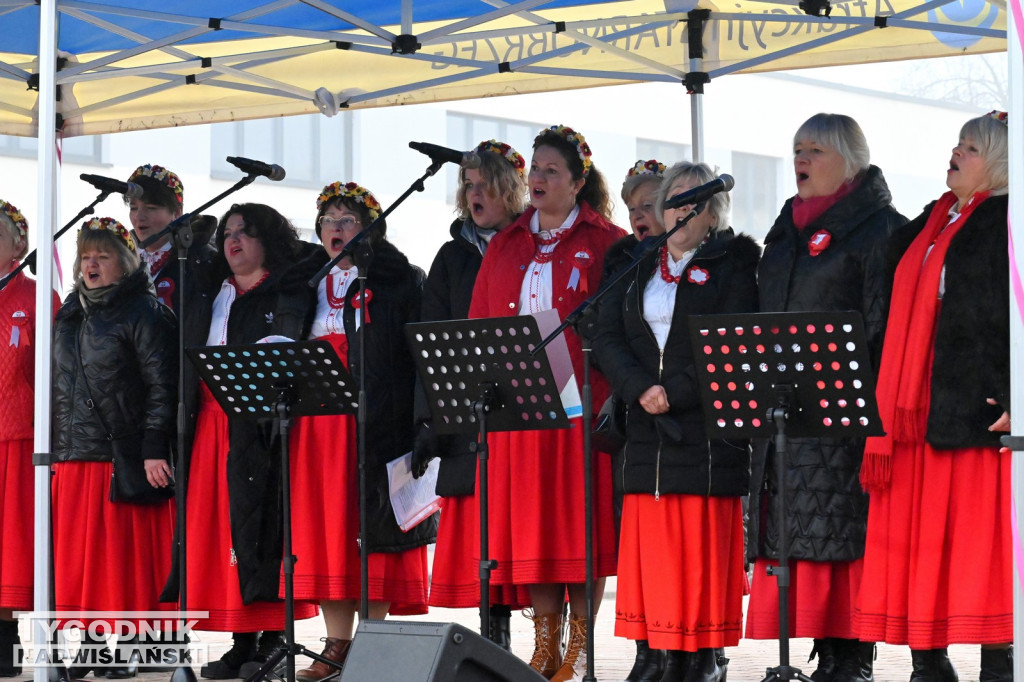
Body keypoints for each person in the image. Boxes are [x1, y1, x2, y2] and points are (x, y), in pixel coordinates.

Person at [747, 113, 906, 682]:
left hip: (848, 411)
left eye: (814, 149)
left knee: (845, 532)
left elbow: (885, 325)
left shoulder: (881, 228)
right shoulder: (785, 228)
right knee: (802, 533)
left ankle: (852, 658)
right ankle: (823, 651)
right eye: (796, 149)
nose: (801, 159)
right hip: (790, 410)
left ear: (849, 160)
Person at [855, 111, 1012, 682]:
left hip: (978, 412)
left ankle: (1000, 663)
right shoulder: (931, 220)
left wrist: (1015, 394)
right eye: (956, 144)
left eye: (969, 148)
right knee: (921, 545)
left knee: (981, 549)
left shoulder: (1008, 221)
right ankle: (929, 661)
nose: (955, 153)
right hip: (912, 412)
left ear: (996, 162)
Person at [468, 124, 626, 680]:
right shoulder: (508, 242)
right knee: (533, 524)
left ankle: (580, 646)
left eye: (551, 171)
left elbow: (619, 328)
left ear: (578, 182)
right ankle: (544, 643)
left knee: (579, 523)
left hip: (582, 400)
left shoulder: (606, 241)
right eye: (534, 169)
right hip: (520, 405)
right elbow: (480, 324)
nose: (537, 179)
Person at [593, 162, 759, 682]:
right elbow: (607, 337)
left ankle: (701, 658)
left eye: (694, 201)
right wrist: (639, 388)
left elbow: (734, 343)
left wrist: (675, 392)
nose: (681, 209)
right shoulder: (636, 266)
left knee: (699, 550)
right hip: (645, 428)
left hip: (707, 432)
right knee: (656, 551)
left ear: (713, 214)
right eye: (673, 199)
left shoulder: (734, 265)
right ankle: (660, 655)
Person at [287, 181, 435, 680]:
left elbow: (416, 357)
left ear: (372, 227)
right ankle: (336, 645)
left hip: (376, 422)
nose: (336, 228)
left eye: (348, 219)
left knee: (372, 529)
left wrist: (421, 421)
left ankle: (373, 644)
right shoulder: (306, 282)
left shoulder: (400, 279)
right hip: (317, 428)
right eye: (329, 219)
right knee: (327, 531)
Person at [183, 204, 323, 680]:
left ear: (271, 241)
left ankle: (273, 640)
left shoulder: (284, 292)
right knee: (228, 534)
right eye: (227, 232)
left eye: (246, 232)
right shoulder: (211, 291)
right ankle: (240, 640)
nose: (233, 240)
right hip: (211, 424)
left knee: (266, 525)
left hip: (263, 425)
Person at [51, 217, 178, 679]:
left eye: (102, 255)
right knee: (83, 560)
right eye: (86, 255)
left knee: (120, 559)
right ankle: (89, 644)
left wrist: (153, 447)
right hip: (75, 452)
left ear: (125, 263)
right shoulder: (70, 311)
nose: (91, 264)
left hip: (120, 454)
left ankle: (127, 645)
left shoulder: (144, 312)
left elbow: (163, 385)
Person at [420, 139, 531, 650]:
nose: (475, 193)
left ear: (511, 189)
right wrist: (431, 419)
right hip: (469, 406)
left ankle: (551, 639)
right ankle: (494, 635)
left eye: (486, 183)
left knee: (522, 523)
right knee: (483, 527)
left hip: (525, 401)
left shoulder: (535, 243)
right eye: (468, 184)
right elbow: (430, 336)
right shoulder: (451, 255)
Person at [126, 164, 216, 666]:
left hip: (181, 401)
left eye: (152, 207)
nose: (140, 216)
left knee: (177, 521)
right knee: (138, 525)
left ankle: (169, 633)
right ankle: (136, 627)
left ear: (176, 212)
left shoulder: (193, 261)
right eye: (135, 207)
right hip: (130, 407)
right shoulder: (122, 261)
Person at [0, 201, 42, 677]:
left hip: (18, 437)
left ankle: (5, 633)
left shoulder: (36, 297)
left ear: (18, 246)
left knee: (11, 544)